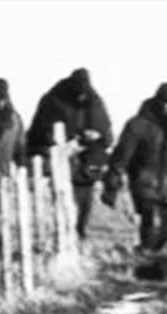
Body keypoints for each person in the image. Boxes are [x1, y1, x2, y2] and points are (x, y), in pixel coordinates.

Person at [29, 68, 115, 241]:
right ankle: (61, 236)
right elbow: (39, 133)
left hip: (87, 165)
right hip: (60, 162)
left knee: (84, 203)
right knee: (63, 202)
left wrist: (98, 136)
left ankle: (79, 234)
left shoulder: (95, 102)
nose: (82, 97)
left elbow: (107, 135)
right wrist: (68, 141)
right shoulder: (52, 101)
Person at [109, 83, 167, 254]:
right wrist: (113, 181)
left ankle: (149, 257)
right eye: (165, 103)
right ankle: (145, 255)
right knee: (151, 223)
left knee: (166, 231)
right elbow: (122, 155)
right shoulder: (138, 125)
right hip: (145, 183)